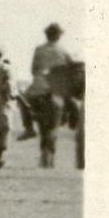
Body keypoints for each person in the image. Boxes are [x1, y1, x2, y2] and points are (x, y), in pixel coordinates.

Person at [30, 22, 80, 167]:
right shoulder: (64, 52)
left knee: (31, 111)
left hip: (39, 88)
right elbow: (72, 71)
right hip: (57, 90)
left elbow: (33, 69)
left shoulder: (39, 50)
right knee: (57, 122)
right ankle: (73, 122)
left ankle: (28, 126)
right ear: (58, 36)